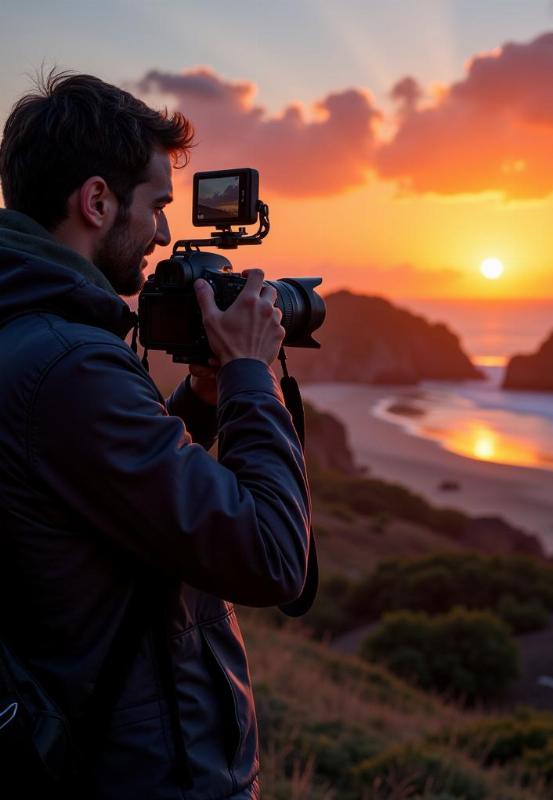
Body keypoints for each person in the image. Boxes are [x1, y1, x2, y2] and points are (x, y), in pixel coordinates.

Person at [0, 71, 311, 798]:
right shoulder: (72, 363)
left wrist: (200, 403)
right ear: (97, 200)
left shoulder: (28, 332)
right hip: (136, 771)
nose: (167, 233)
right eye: (157, 205)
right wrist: (248, 378)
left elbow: (98, 486)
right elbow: (271, 556)